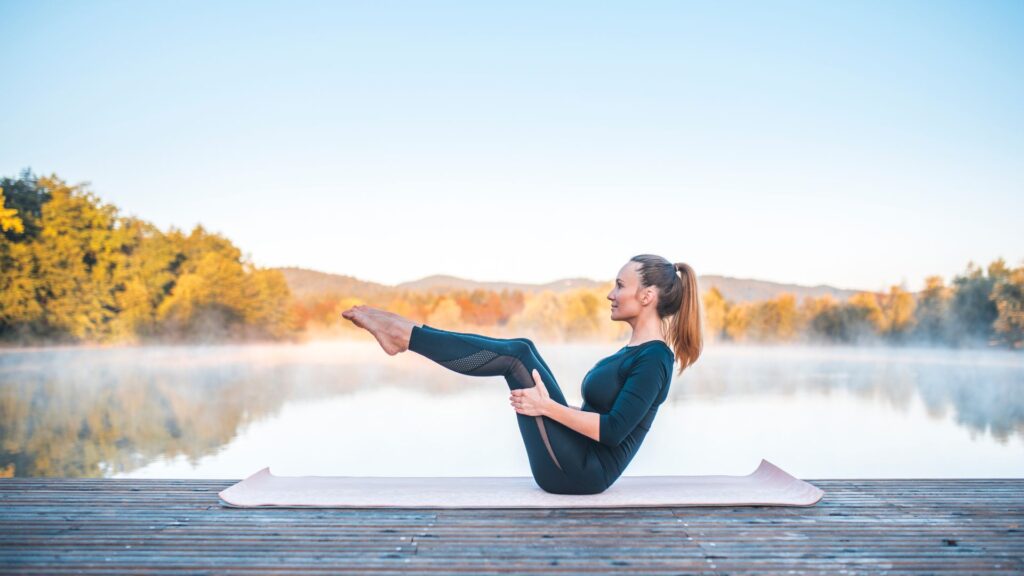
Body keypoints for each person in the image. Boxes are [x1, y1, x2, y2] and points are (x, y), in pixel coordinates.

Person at [340, 254, 703, 495]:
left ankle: (406, 335)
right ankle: (408, 333)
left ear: (647, 296)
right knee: (523, 348)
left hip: (582, 474)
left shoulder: (655, 358)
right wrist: (548, 407)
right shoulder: (635, 352)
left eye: (620, 285)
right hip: (576, 458)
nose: (611, 293)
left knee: (515, 357)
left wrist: (545, 407)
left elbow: (612, 431)